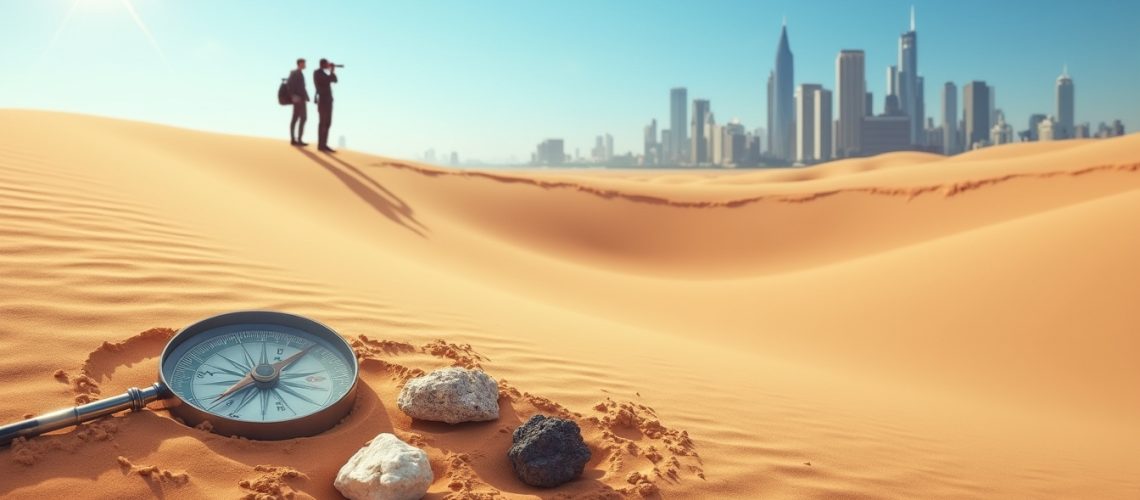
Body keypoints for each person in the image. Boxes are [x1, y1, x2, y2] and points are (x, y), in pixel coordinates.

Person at [313, 58, 339, 153]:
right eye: (327, 64)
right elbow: (327, 80)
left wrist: (332, 71)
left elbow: (335, 80)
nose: (328, 65)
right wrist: (331, 71)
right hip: (322, 100)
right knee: (322, 122)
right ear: (323, 64)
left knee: (328, 123)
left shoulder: (325, 73)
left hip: (328, 100)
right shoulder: (317, 73)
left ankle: (324, 144)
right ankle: (321, 145)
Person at [287, 58, 310, 146]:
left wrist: (307, 97)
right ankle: (294, 139)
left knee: (302, 118)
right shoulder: (294, 72)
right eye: (304, 63)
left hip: (302, 99)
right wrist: (293, 96)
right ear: (300, 63)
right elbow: (289, 85)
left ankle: (298, 139)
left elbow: (302, 87)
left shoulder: (300, 73)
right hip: (297, 100)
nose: (305, 65)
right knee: (297, 118)